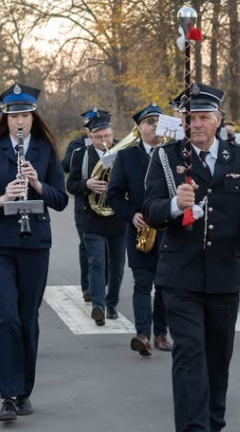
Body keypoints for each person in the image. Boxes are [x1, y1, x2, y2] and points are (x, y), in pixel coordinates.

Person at [143, 82, 240, 432]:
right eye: (190, 118)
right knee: (189, 350)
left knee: (219, 354)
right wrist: (173, 204)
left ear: (218, 120)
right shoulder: (166, 159)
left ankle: (213, 424)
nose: (196, 124)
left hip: (224, 273)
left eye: (204, 117)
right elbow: (149, 208)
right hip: (180, 274)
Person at [0, 83, 68, 423]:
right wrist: (2, 199)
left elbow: (61, 199)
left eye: (25, 115)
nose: (20, 122)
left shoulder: (44, 150)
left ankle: (24, 389)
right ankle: (8, 395)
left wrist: (38, 184)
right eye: (14, 116)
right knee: (7, 317)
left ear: (33, 116)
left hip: (35, 243)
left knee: (27, 317)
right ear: (6, 118)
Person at [107, 103, 170, 356]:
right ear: (139, 128)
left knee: (165, 285)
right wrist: (131, 215)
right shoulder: (126, 156)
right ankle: (142, 334)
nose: (154, 126)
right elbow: (113, 195)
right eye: (149, 122)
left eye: (158, 122)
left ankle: (161, 334)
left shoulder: (173, 154)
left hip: (168, 230)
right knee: (143, 284)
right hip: (140, 230)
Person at [67, 112, 126, 326]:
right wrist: (87, 184)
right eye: (99, 137)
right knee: (96, 263)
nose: (105, 141)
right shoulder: (80, 154)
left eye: (108, 136)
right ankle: (98, 306)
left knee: (117, 265)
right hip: (91, 217)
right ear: (90, 137)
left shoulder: (124, 151)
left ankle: (112, 304)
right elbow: (70, 185)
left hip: (118, 217)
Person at [63, 109, 104, 303]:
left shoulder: (115, 143)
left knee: (109, 250)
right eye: (90, 128)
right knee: (87, 247)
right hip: (84, 205)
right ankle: (88, 286)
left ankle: (101, 283)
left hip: (108, 205)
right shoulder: (77, 144)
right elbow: (64, 165)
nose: (92, 131)